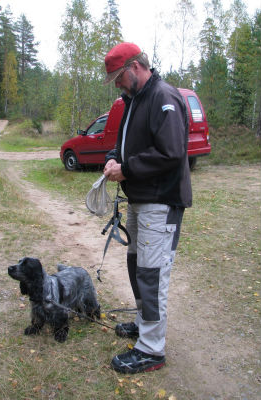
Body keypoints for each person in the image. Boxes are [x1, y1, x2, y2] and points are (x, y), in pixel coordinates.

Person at [103, 42, 192, 374]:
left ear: (135, 67)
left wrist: (126, 169)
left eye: (118, 77)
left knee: (152, 275)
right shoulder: (134, 101)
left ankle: (152, 350)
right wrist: (114, 158)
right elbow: (122, 144)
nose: (117, 83)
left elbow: (171, 153)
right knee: (137, 267)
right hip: (141, 199)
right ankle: (144, 326)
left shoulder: (163, 97)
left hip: (161, 200)